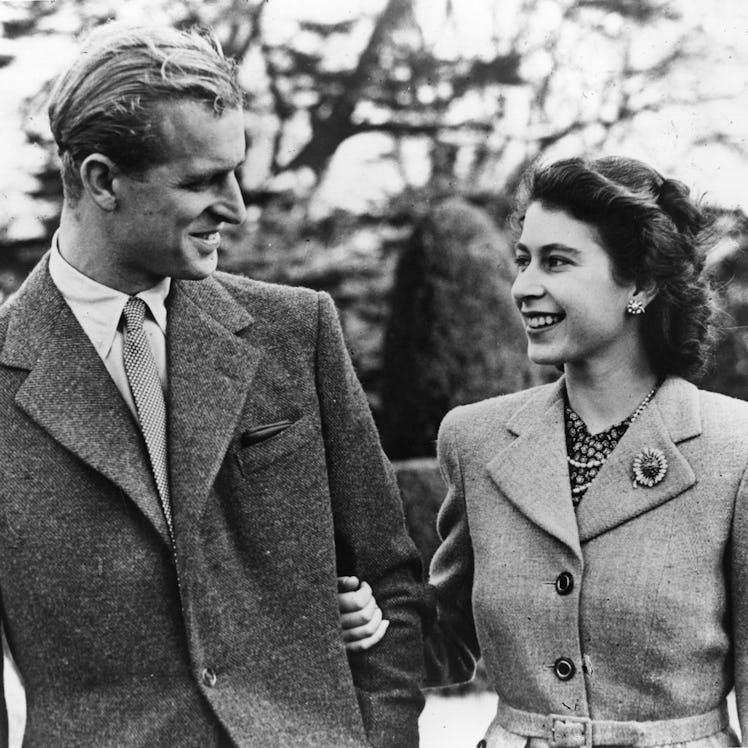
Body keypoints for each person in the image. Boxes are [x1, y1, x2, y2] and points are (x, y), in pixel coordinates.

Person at [0, 23, 426, 747]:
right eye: (200, 181)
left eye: (235, 174)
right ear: (101, 179)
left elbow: (392, 581)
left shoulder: (298, 330)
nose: (236, 207)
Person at [341, 156, 748, 746]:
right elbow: (449, 643)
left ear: (640, 283)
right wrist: (374, 626)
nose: (524, 286)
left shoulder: (735, 450)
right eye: (524, 260)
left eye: (556, 261)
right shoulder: (474, 440)